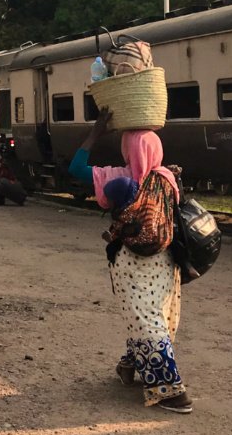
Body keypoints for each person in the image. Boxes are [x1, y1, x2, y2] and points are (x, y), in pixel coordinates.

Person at [69, 109, 192, 414]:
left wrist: (96, 133)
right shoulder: (167, 178)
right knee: (151, 315)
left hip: (131, 261)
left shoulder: (119, 178)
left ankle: (172, 392)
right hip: (165, 259)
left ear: (127, 150)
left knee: (143, 318)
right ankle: (129, 365)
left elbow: (76, 168)